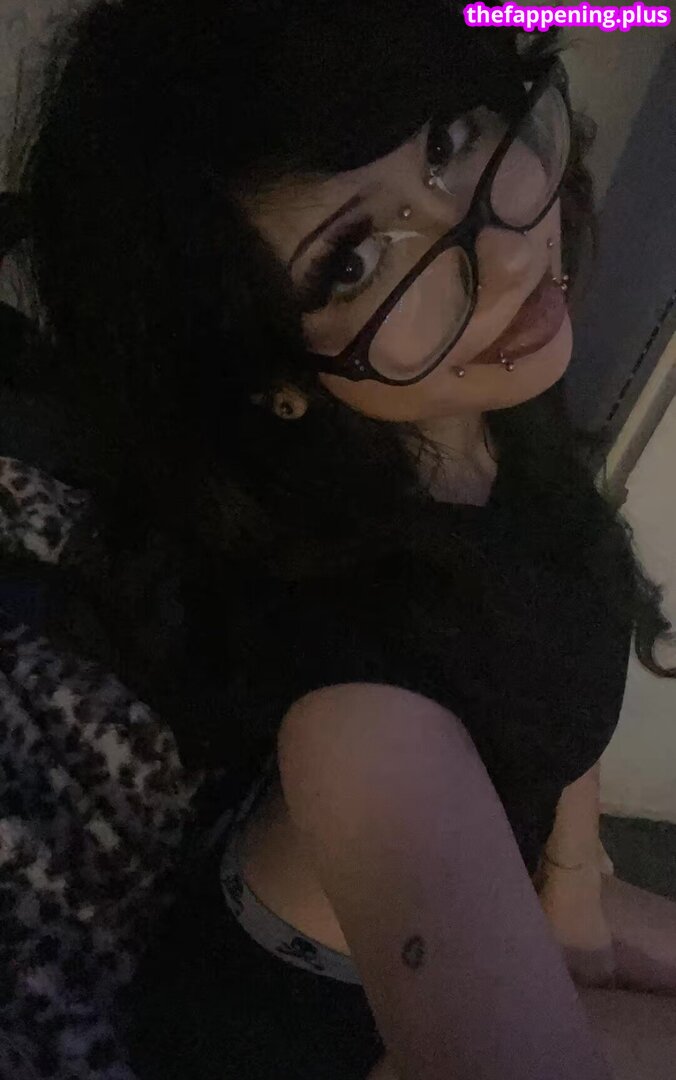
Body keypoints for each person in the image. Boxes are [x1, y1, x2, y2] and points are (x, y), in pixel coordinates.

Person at [0, 1, 675, 1078]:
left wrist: (573, 876)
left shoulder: (487, 407)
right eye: (352, 261)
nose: (502, 255)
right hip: (313, 1034)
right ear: (270, 374)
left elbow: (555, 673)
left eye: (450, 139)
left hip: (514, 883)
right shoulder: (360, 726)